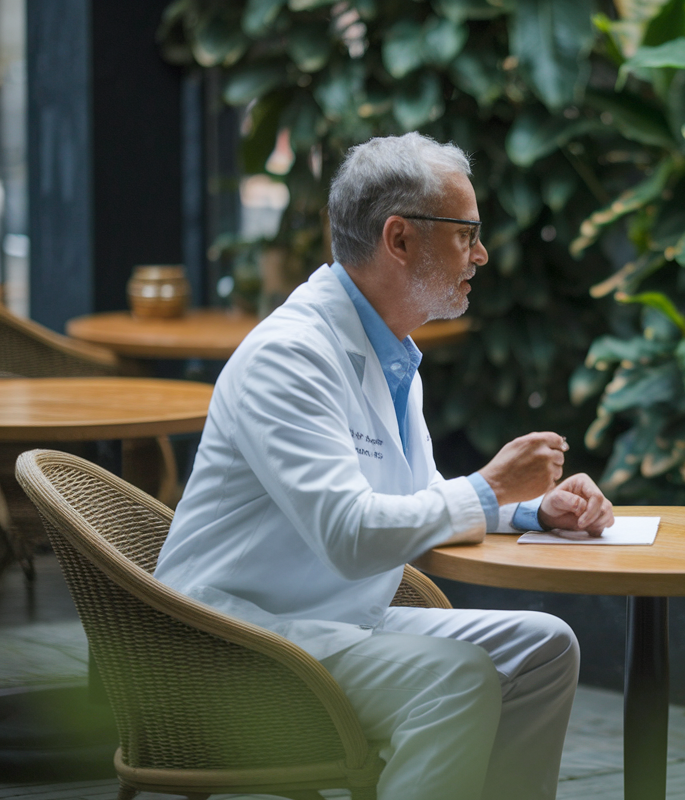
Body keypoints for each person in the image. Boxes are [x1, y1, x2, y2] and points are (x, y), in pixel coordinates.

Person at [154, 132, 614, 800]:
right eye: (467, 235)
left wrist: (528, 509)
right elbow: (350, 534)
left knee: (545, 646)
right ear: (399, 240)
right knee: (455, 676)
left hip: (326, 622)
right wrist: (487, 488)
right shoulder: (291, 356)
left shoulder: (389, 351)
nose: (481, 255)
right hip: (230, 643)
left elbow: (412, 498)